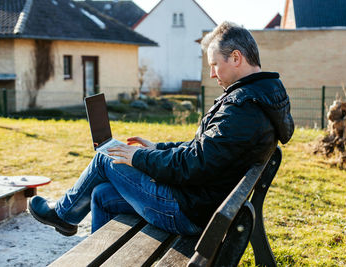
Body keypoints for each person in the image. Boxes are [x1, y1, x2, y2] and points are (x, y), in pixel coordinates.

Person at [28, 21, 294, 236]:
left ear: (236, 58)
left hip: (188, 211)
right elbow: (207, 150)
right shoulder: (256, 98)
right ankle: (87, 242)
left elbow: (195, 164)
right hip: (203, 203)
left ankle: (63, 216)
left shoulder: (243, 108)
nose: (212, 73)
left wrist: (138, 157)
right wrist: (159, 148)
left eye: (214, 64)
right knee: (101, 195)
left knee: (105, 157)